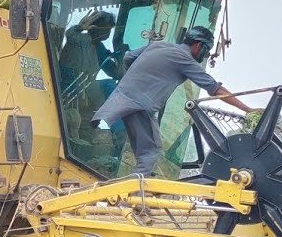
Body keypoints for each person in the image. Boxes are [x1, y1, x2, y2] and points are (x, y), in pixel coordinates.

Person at [91, 25, 255, 176]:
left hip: (119, 99)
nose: (205, 55)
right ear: (198, 45)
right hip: (141, 108)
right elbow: (216, 89)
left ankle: (134, 180)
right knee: (150, 152)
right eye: (206, 50)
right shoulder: (185, 60)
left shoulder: (158, 45)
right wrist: (248, 110)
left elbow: (128, 57)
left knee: (136, 147)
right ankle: (132, 193)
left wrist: (136, 79)